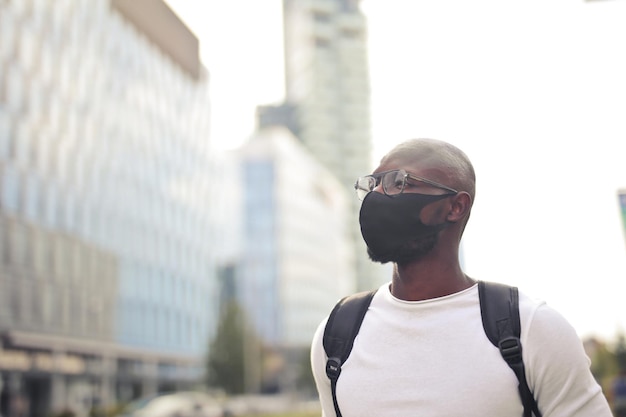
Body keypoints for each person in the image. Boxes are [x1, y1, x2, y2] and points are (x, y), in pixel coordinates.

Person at [310, 138, 612, 416]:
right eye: (372, 183)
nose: (377, 194)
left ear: (456, 206)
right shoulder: (337, 334)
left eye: (398, 181)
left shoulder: (531, 329)